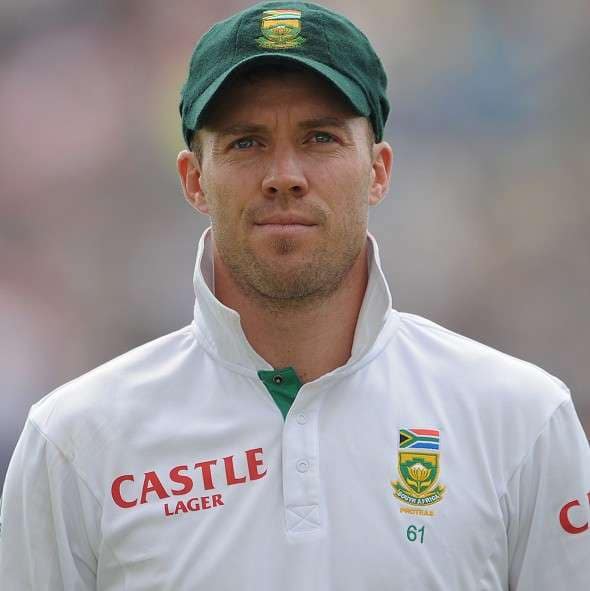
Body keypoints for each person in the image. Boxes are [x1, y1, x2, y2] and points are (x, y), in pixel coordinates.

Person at [1, 1, 589, 589]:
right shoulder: (75, 440)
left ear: (379, 171)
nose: (284, 174)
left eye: (320, 137)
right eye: (246, 142)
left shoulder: (522, 418)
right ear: (194, 179)